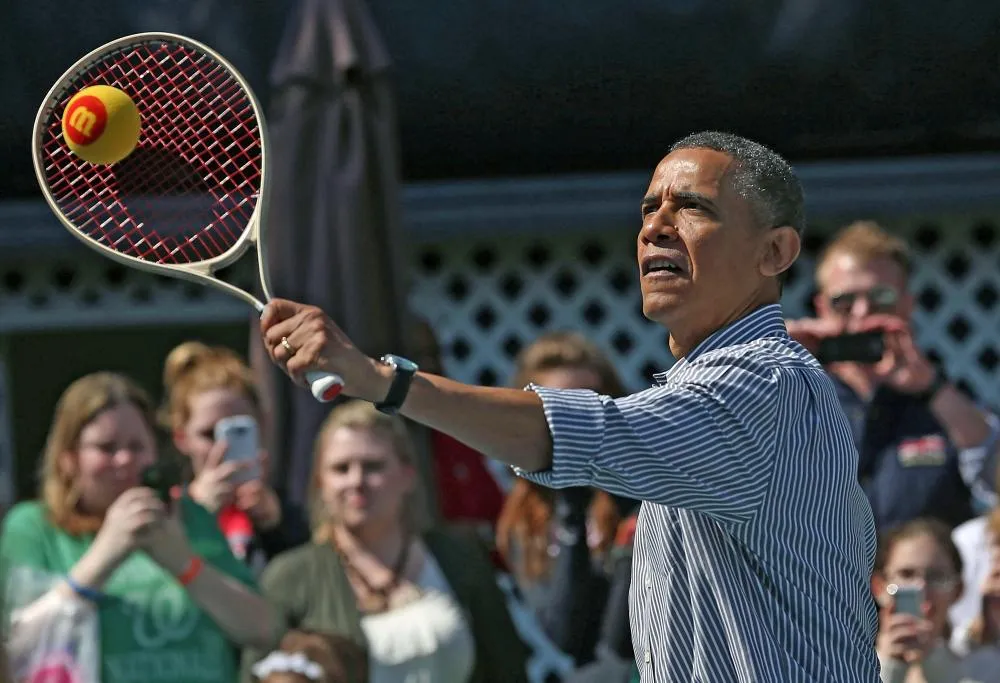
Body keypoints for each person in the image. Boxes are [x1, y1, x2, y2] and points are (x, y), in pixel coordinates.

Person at [258, 130, 880, 680]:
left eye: (692, 206)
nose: (654, 227)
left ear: (774, 253)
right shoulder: (724, 385)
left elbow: (583, 432)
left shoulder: (766, 383)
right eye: (648, 208)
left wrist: (379, 380)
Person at [0, 372, 279, 683]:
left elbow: (264, 629)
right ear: (68, 458)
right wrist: (107, 551)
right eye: (106, 448)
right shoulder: (34, 527)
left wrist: (181, 561)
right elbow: (19, 642)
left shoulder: (188, 515)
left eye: (137, 446)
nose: (124, 460)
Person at [245, 400, 528, 683]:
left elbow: (508, 668)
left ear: (408, 474)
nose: (356, 481)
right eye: (341, 468)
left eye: (373, 466)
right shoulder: (290, 577)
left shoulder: (458, 556)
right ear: (321, 482)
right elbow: (254, 674)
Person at [786, 221, 1000, 530]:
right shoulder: (793, 395)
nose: (861, 312)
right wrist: (775, 358)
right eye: (844, 302)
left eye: (880, 298)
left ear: (907, 306)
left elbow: (994, 474)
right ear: (821, 308)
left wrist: (932, 388)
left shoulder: (943, 400)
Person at [495, 331, 633, 666]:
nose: (577, 423)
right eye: (559, 408)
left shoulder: (641, 491)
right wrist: (572, 500)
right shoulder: (523, 519)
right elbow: (566, 636)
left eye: (590, 402)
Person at [162, 341, 311, 571]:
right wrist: (196, 515)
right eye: (209, 434)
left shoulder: (292, 510)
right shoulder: (167, 512)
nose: (223, 447)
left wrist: (277, 527)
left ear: (262, 425)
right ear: (181, 438)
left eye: (238, 430)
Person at [871, 517, 995, 682]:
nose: (921, 587)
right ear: (879, 587)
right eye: (906, 574)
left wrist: (934, 660)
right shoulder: (845, 660)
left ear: (958, 590)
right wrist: (886, 666)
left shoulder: (984, 666)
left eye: (936, 577)